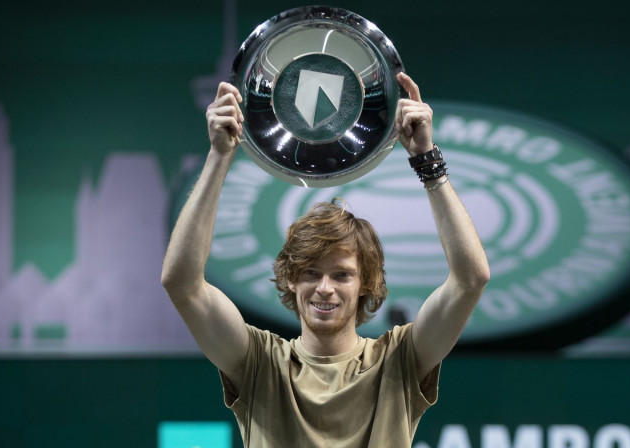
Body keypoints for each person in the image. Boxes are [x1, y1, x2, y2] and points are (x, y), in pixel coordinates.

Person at [161, 73, 490, 447]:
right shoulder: (259, 363)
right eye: (311, 273)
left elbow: (471, 280)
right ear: (290, 278)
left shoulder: (398, 361)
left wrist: (426, 160)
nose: (324, 288)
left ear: (365, 282)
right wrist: (219, 156)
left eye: (342, 275)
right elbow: (181, 284)